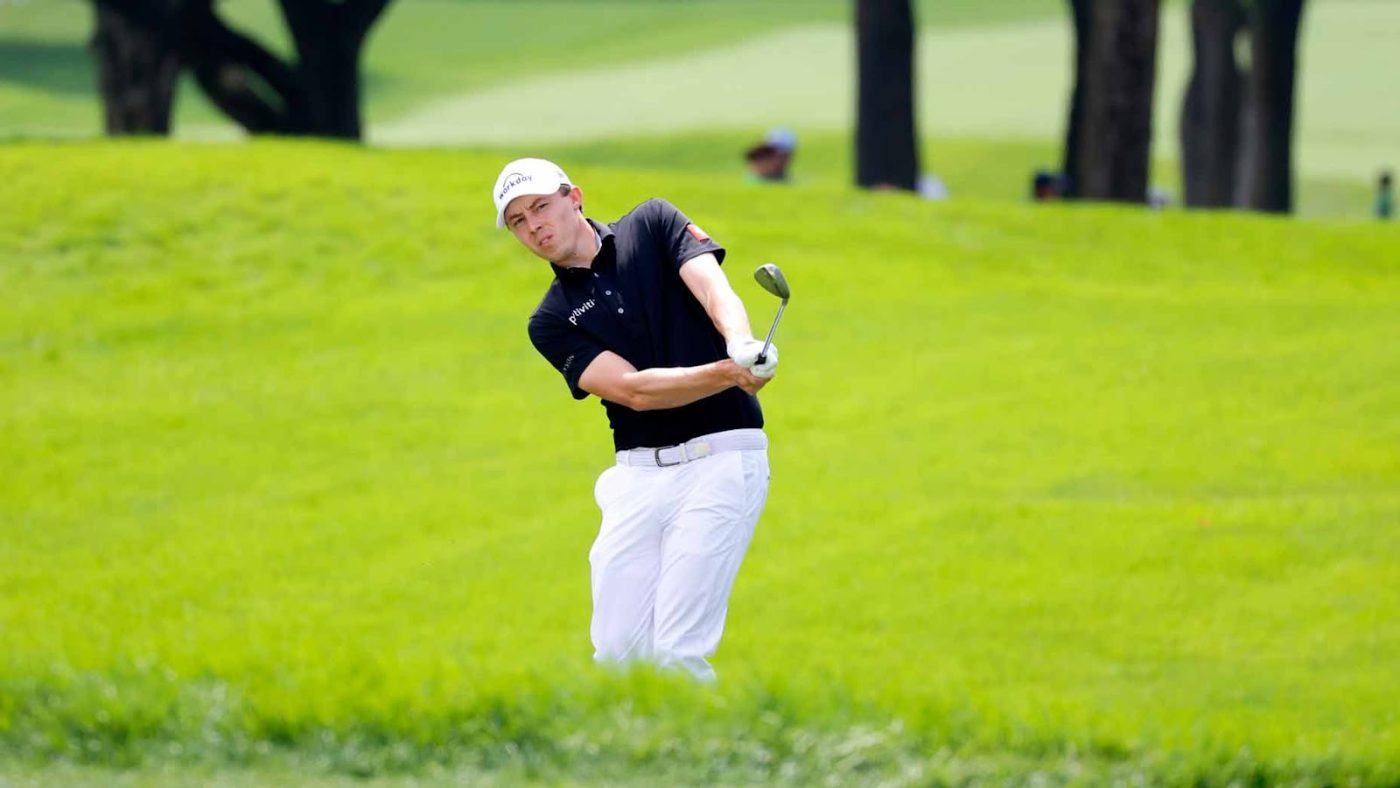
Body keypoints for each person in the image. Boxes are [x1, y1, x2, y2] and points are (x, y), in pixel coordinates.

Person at [492, 158, 778, 682]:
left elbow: (715, 290)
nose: (533, 226)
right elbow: (633, 392)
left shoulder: (652, 223)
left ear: (573, 196)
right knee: (618, 658)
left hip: (721, 461)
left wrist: (741, 343)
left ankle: (699, 760)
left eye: (540, 207)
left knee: (677, 652)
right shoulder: (551, 320)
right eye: (517, 221)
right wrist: (728, 372)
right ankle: (636, 760)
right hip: (637, 478)